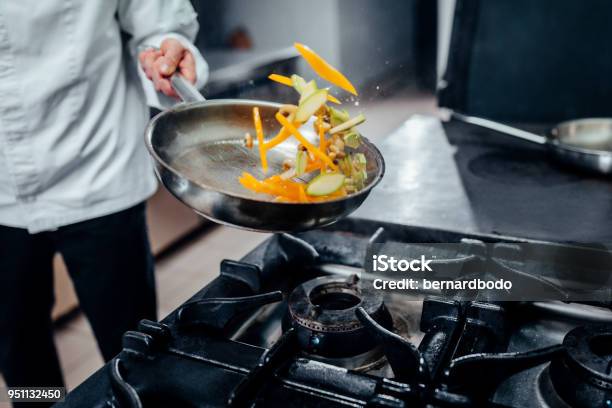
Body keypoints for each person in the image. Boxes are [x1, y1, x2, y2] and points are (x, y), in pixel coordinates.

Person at [0, 0, 208, 401]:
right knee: (20, 352)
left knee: (131, 348)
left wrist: (168, 48)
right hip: (1, 191)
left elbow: (157, 22)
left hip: (98, 162)